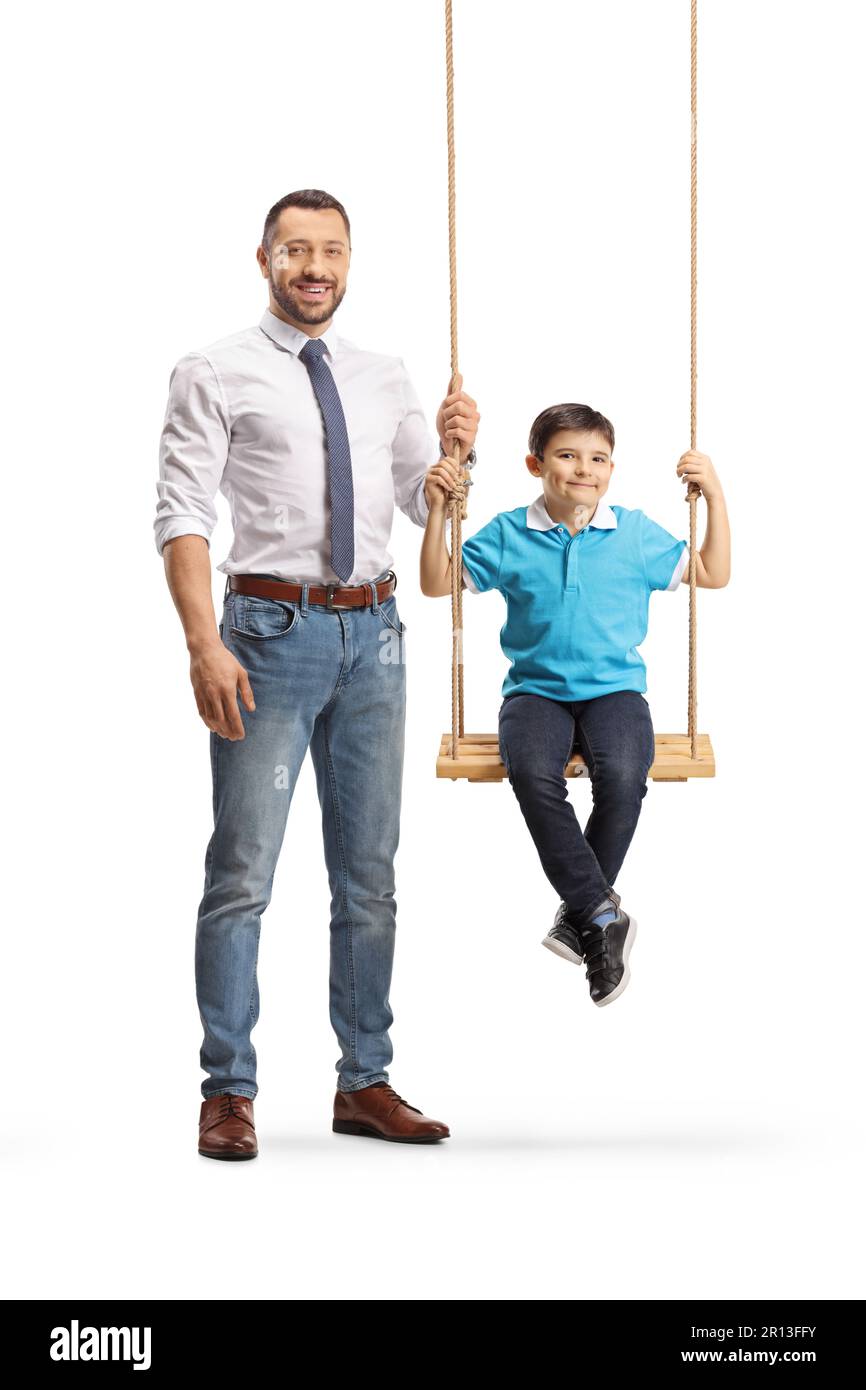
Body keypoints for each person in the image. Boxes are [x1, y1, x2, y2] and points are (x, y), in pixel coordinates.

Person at [154, 188, 480, 1158]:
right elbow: (180, 514)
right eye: (295, 249)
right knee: (242, 871)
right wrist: (201, 641)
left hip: (375, 634)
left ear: (348, 262)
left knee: (369, 878)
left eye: (330, 250)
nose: (314, 267)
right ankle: (227, 1090)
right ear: (263, 260)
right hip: (265, 633)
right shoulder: (213, 369)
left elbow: (433, 513)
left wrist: (458, 452)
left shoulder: (385, 376)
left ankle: (363, 1080)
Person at [420, 402, 730, 1007]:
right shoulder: (511, 532)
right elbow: (437, 582)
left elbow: (712, 573)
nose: (583, 469)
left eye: (597, 459)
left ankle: (582, 916)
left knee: (623, 774)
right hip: (534, 692)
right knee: (533, 774)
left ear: (612, 468)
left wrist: (714, 493)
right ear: (536, 464)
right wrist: (438, 512)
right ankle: (599, 912)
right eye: (566, 455)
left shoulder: (633, 533)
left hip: (615, 691)